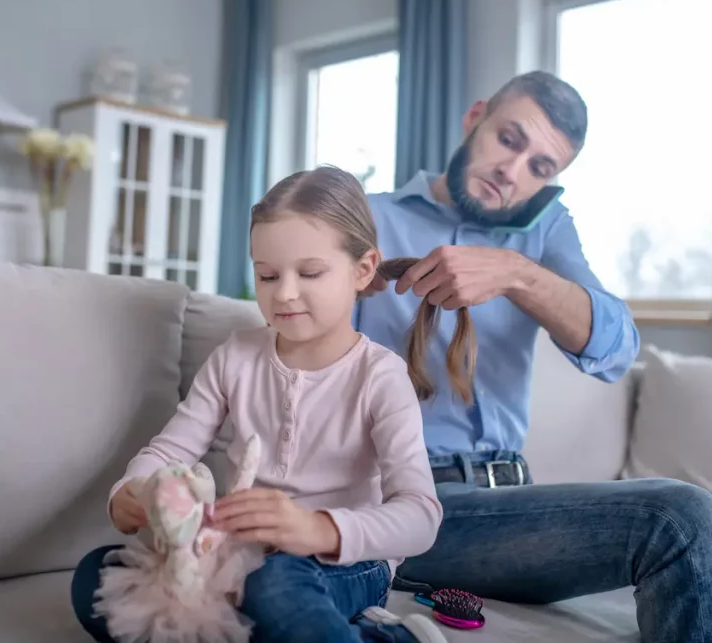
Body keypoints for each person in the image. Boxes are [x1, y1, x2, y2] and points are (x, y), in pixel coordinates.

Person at [353, 70, 712, 643]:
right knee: (676, 514)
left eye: (540, 168)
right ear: (476, 119)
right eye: (508, 139)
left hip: (516, 505)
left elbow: (617, 349)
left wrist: (518, 274)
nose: (511, 171)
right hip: (418, 506)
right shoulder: (365, 218)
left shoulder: (543, 233)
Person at [71, 167, 452, 643]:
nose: (284, 292)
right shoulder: (236, 355)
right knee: (95, 576)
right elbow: (169, 452)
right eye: (267, 275)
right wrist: (134, 491)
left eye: (309, 272)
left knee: (270, 587)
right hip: (235, 555)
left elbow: (420, 517)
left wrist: (317, 529)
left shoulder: (380, 376)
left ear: (362, 269)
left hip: (343, 566)